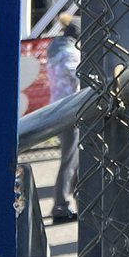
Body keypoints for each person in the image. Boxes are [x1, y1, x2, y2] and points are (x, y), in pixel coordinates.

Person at [46, 14, 80, 223]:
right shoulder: (71, 53)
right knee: (69, 160)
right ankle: (61, 204)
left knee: (72, 158)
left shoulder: (55, 49)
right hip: (70, 110)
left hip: (58, 107)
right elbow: (81, 76)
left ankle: (71, 199)